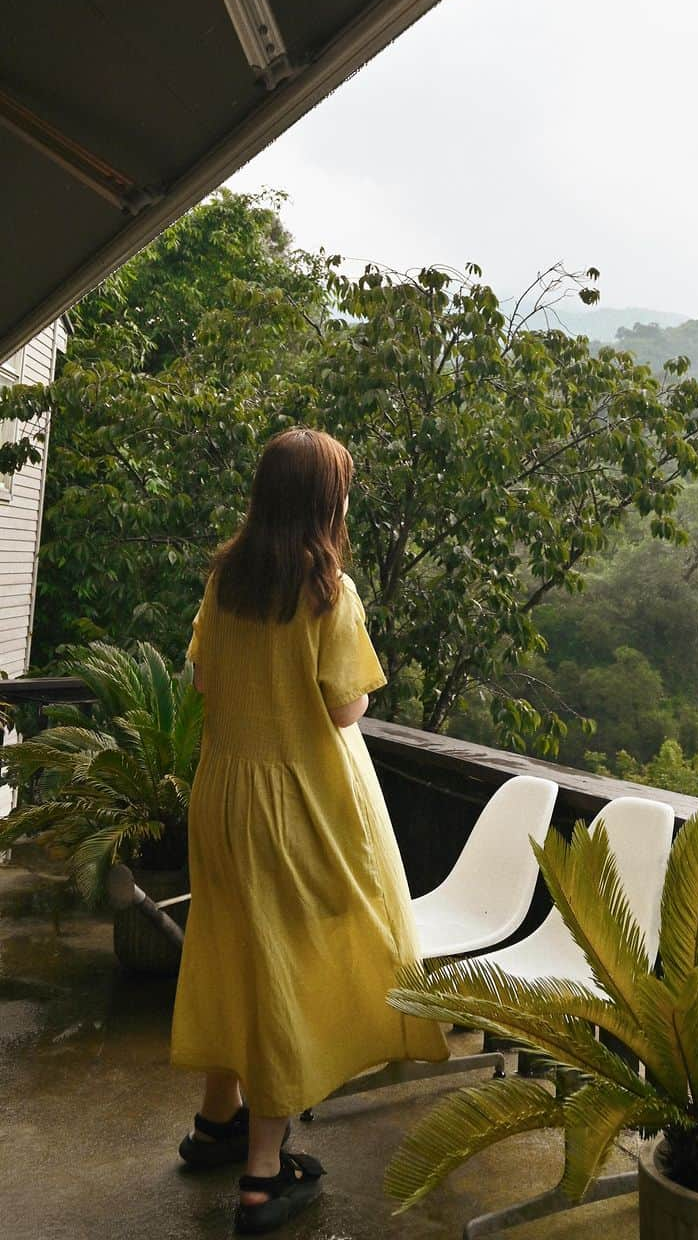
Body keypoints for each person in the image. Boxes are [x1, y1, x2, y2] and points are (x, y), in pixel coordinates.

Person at [170, 426, 446, 1232]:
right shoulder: (329, 591)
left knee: (231, 944)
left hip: (223, 794)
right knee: (287, 964)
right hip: (298, 805)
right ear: (326, 503)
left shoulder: (227, 580)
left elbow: (202, 678)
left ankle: (217, 1120)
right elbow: (345, 704)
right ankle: (263, 1172)